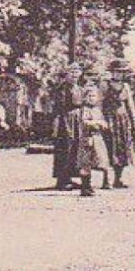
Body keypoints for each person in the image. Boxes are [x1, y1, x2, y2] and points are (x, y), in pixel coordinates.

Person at [103, 58, 135, 190]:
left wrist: (134, 120)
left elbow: (130, 105)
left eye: (121, 72)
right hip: (109, 118)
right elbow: (99, 103)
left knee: (122, 147)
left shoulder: (126, 87)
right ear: (112, 72)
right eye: (116, 72)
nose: (118, 74)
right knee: (109, 148)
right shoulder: (105, 85)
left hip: (123, 119)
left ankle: (118, 179)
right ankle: (106, 179)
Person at [76, 75, 112, 197]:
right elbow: (84, 122)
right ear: (85, 98)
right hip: (87, 139)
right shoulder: (85, 109)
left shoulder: (97, 110)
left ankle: (106, 181)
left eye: (94, 96)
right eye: (89, 96)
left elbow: (104, 122)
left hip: (98, 138)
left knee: (101, 160)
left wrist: (103, 124)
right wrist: (96, 123)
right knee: (86, 163)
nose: (92, 98)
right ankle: (86, 186)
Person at [51, 63, 84, 191]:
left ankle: (70, 177)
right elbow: (59, 107)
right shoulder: (62, 89)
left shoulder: (80, 89)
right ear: (67, 75)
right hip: (65, 119)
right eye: (72, 72)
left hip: (77, 119)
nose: (75, 75)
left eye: (77, 72)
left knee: (76, 148)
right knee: (65, 148)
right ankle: (62, 180)